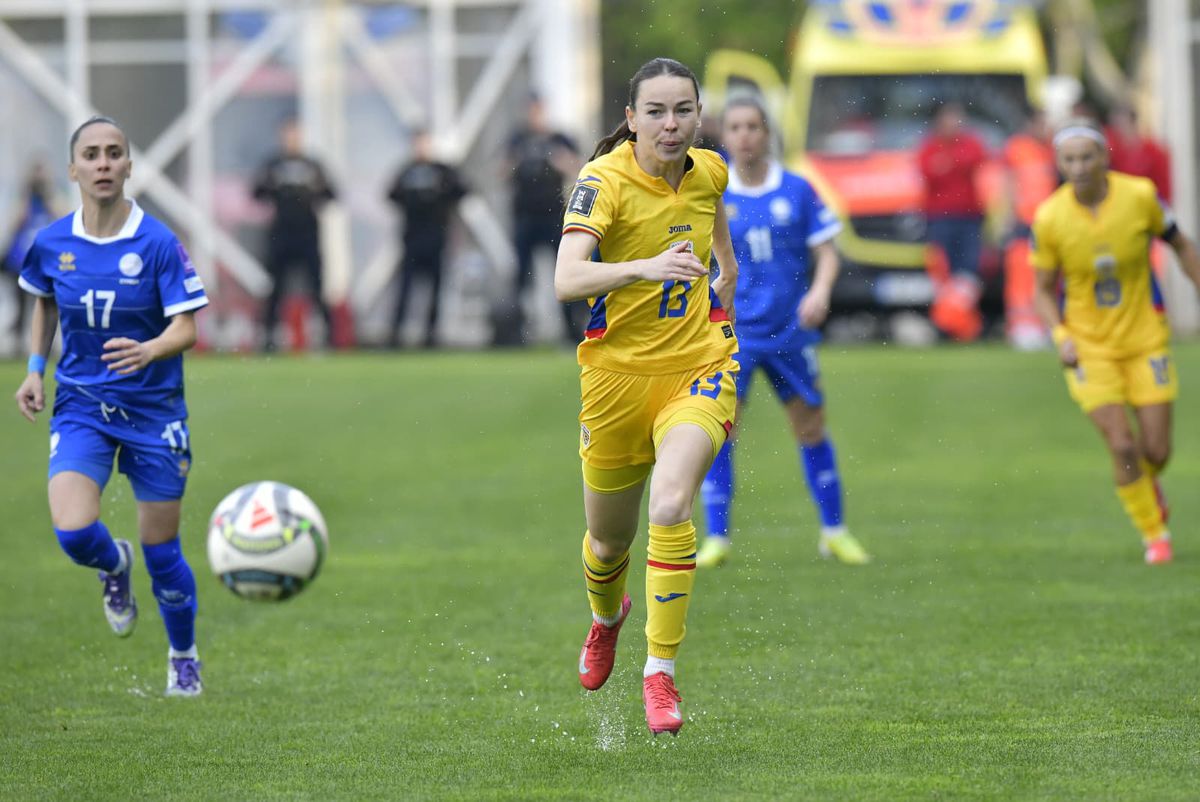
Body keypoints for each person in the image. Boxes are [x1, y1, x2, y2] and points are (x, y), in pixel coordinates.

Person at [555, 57, 738, 736]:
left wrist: (726, 276)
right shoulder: (602, 181)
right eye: (656, 112)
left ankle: (659, 673)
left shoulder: (711, 170)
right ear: (631, 120)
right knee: (607, 544)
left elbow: (717, 226)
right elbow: (566, 280)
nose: (671, 124)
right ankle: (607, 620)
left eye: (683, 110)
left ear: (698, 114)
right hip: (614, 383)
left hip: (699, 368)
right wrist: (645, 268)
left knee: (672, 502)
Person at [13, 116, 208, 694]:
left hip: (154, 412)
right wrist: (33, 371)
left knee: (163, 552)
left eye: (114, 153)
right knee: (74, 532)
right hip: (82, 404)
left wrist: (151, 349)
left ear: (128, 167)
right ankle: (111, 565)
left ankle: (183, 656)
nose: (103, 163)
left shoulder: (157, 242)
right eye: (91, 154)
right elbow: (43, 304)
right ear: (73, 169)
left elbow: (187, 328)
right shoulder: (51, 243)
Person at [696, 96, 869, 569]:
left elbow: (827, 251)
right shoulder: (713, 193)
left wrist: (821, 291)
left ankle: (834, 531)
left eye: (754, 126)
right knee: (720, 431)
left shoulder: (797, 189)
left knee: (810, 427)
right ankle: (717, 538)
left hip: (791, 332)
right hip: (733, 334)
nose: (746, 135)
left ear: (767, 133)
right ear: (724, 135)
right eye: (736, 126)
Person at [1031, 118, 1200, 564]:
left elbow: (1181, 245)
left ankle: (1148, 486)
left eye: (1088, 157)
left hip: (1145, 340)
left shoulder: (1140, 197)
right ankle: (1155, 535)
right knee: (1122, 446)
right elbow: (1043, 289)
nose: (1080, 167)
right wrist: (1060, 334)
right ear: (1059, 163)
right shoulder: (1050, 217)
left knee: (1157, 452)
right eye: (1070, 159)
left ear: (1106, 157)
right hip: (1089, 347)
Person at [506, 94, 584, 345]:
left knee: (563, 273)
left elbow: (580, 167)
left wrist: (560, 161)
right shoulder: (517, 139)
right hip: (524, 216)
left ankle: (571, 331)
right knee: (521, 276)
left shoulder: (558, 138)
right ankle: (518, 333)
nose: (535, 116)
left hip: (553, 216)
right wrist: (515, 162)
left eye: (538, 111)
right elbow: (500, 171)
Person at [253, 117, 336, 351]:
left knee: (317, 286)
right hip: (281, 234)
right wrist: (277, 189)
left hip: (308, 233)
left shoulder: (313, 166)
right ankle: (268, 337)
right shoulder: (273, 165)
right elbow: (257, 193)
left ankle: (329, 337)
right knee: (275, 288)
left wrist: (309, 192)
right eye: (288, 134)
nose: (292, 139)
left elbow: (331, 194)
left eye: (296, 134)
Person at [386, 130, 468, 348]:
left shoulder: (442, 171)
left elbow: (463, 190)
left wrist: (441, 196)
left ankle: (431, 333)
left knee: (436, 287)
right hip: (412, 238)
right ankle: (396, 333)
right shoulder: (407, 171)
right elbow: (390, 194)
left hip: (436, 237)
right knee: (406, 287)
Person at [917, 101, 988, 341]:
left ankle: (959, 323)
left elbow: (974, 161)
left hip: (968, 217)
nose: (955, 124)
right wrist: (953, 164)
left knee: (968, 273)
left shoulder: (970, 143)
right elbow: (929, 171)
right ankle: (953, 325)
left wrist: (948, 164)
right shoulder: (930, 146)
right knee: (944, 275)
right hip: (940, 218)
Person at [1000, 109, 1058, 350]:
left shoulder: (1051, 149)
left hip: (1048, 222)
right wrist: (1006, 215)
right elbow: (1008, 183)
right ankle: (1022, 326)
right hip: (1023, 221)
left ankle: (1045, 324)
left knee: (1047, 274)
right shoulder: (1017, 148)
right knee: (1021, 273)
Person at [2, 161, 58, 354]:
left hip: (46, 263)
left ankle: (47, 345)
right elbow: (14, 222)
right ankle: (18, 345)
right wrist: (27, 193)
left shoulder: (51, 200)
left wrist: (48, 193)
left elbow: (62, 216)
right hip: (21, 263)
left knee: (48, 305)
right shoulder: (24, 201)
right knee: (21, 307)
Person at [1104, 105, 1171, 203]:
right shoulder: (1113, 151)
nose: (1117, 129)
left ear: (1132, 122)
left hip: (1148, 203)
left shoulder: (1153, 151)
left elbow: (1163, 186)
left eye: (1121, 123)